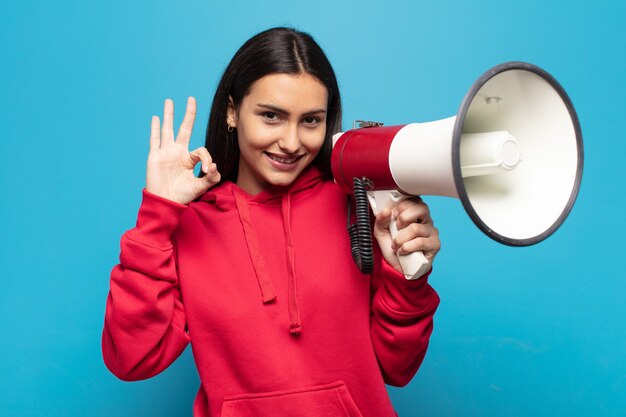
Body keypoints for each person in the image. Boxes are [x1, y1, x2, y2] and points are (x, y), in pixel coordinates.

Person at [102, 27, 440, 417]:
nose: (292, 142)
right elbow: (131, 359)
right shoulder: (190, 225)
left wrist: (407, 279)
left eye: (311, 121)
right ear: (232, 111)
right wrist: (157, 216)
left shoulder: (357, 209)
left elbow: (395, 368)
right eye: (271, 116)